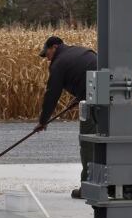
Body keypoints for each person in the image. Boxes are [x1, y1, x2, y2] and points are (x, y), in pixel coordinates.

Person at [34, 36, 97, 199]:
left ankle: (88, 187)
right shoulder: (78, 51)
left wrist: (43, 121)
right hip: (111, 94)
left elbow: (51, 94)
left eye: (46, 53)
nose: (46, 58)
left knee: (88, 142)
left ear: (54, 47)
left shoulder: (58, 64)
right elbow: (87, 73)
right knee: (117, 136)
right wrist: (79, 97)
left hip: (94, 101)